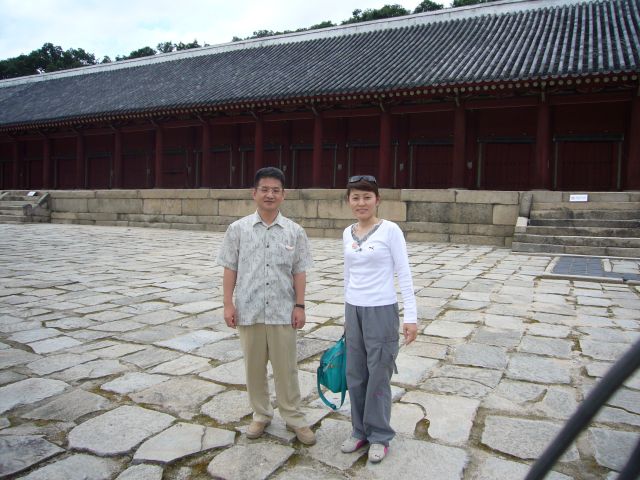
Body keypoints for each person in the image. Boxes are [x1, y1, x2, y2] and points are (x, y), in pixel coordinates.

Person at [216, 166, 316, 445]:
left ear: (284, 195)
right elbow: (230, 268)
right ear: (254, 193)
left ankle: (294, 417)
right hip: (249, 309)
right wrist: (228, 304)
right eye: (264, 189)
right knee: (254, 367)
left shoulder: (295, 231)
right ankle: (261, 414)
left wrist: (300, 305)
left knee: (287, 368)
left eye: (275, 190)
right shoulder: (238, 230)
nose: (269, 195)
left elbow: (299, 271)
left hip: (283, 311)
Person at [340, 174, 418, 463]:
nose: (361, 203)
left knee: (379, 374)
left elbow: (404, 273)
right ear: (348, 201)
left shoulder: (390, 231)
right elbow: (347, 274)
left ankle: (380, 435)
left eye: (366, 197)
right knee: (355, 374)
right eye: (355, 197)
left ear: (377, 200)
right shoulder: (347, 233)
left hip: (382, 310)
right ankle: (359, 430)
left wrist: (411, 316)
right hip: (354, 309)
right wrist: (346, 314)